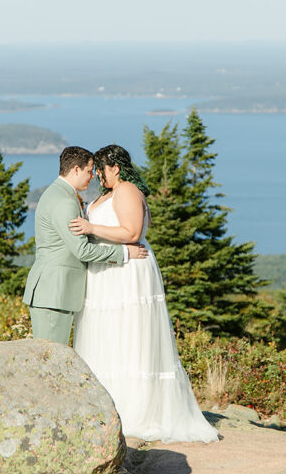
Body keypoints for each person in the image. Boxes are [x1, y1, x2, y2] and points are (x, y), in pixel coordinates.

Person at [69, 144, 219, 443]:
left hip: (127, 272)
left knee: (130, 335)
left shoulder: (126, 190)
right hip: (108, 270)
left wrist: (90, 227)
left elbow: (132, 232)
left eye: (101, 168)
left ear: (115, 167)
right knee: (108, 334)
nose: (98, 175)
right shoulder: (109, 193)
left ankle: (135, 410)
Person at [23, 146, 147, 344]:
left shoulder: (59, 193)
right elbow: (82, 250)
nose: (93, 177)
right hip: (54, 292)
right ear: (76, 170)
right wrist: (124, 252)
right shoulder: (64, 201)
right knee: (50, 356)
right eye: (89, 171)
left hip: (54, 292)